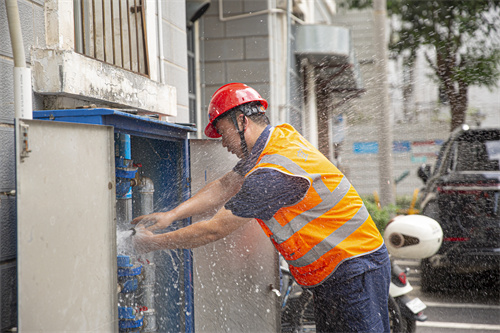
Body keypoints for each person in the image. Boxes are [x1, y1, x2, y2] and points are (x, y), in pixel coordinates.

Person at [132, 82, 391, 332]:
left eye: (223, 133)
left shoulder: (272, 173)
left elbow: (213, 230)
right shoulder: (278, 140)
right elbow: (225, 185)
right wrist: (171, 215)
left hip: (354, 270)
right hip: (341, 271)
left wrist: (153, 243)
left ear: (242, 122)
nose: (223, 143)